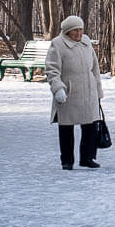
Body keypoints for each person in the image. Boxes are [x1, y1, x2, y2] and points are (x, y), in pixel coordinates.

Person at [46, 15, 103, 170]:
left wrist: (98, 91)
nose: (78, 33)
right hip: (69, 93)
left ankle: (87, 158)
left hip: (88, 91)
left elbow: (95, 69)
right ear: (67, 31)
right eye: (74, 30)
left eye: (80, 29)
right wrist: (57, 88)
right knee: (66, 128)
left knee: (90, 126)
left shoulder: (86, 42)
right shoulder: (57, 44)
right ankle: (67, 160)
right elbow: (52, 70)